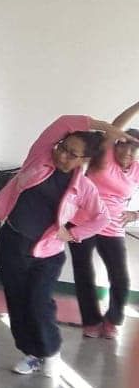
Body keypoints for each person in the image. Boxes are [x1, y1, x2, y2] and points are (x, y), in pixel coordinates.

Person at [0, 114, 124, 377]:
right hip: (12, 243)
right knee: (17, 302)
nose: (62, 155)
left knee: (39, 303)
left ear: (84, 160)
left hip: (47, 254)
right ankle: (31, 353)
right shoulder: (39, 159)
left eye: (72, 154)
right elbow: (63, 122)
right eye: (62, 147)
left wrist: (72, 234)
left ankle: (51, 352)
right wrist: (105, 127)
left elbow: (102, 218)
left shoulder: (84, 187)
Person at [71, 100, 139, 339]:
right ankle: (90, 321)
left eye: (133, 148)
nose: (127, 152)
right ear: (116, 144)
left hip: (112, 227)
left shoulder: (136, 170)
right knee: (84, 274)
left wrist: (135, 214)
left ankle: (112, 321)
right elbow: (115, 126)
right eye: (123, 145)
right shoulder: (104, 158)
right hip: (82, 221)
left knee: (120, 278)